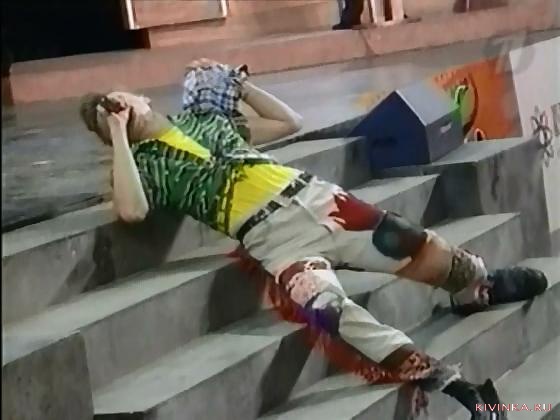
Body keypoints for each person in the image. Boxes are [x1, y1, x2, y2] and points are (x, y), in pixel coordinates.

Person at [79, 59, 547, 419]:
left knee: (413, 244)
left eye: (121, 101)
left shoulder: (204, 119)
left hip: (318, 200)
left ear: (142, 96)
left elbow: (289, 123)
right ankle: (453, 385)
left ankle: (478, 287)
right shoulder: (149, 167)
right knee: (330, 311)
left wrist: (241, 87)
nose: (121, 110)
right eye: (109, 115)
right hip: (273, 240)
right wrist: (117, 133)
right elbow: (132, 209)